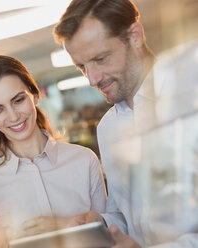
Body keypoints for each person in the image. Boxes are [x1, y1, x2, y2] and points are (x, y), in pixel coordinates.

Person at [54, 0, 198, 247]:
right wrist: (100, 221)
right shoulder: (107, 128)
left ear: (134, 36)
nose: (91, 79)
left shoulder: (189, 100)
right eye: (81, 66)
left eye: (100, 58)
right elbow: (127, 215)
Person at [0, 55, 107, 247]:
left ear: (35, 95)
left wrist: (65, 227)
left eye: (18, 100)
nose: (13, 116)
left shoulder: (84, 160)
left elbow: (108, 239)